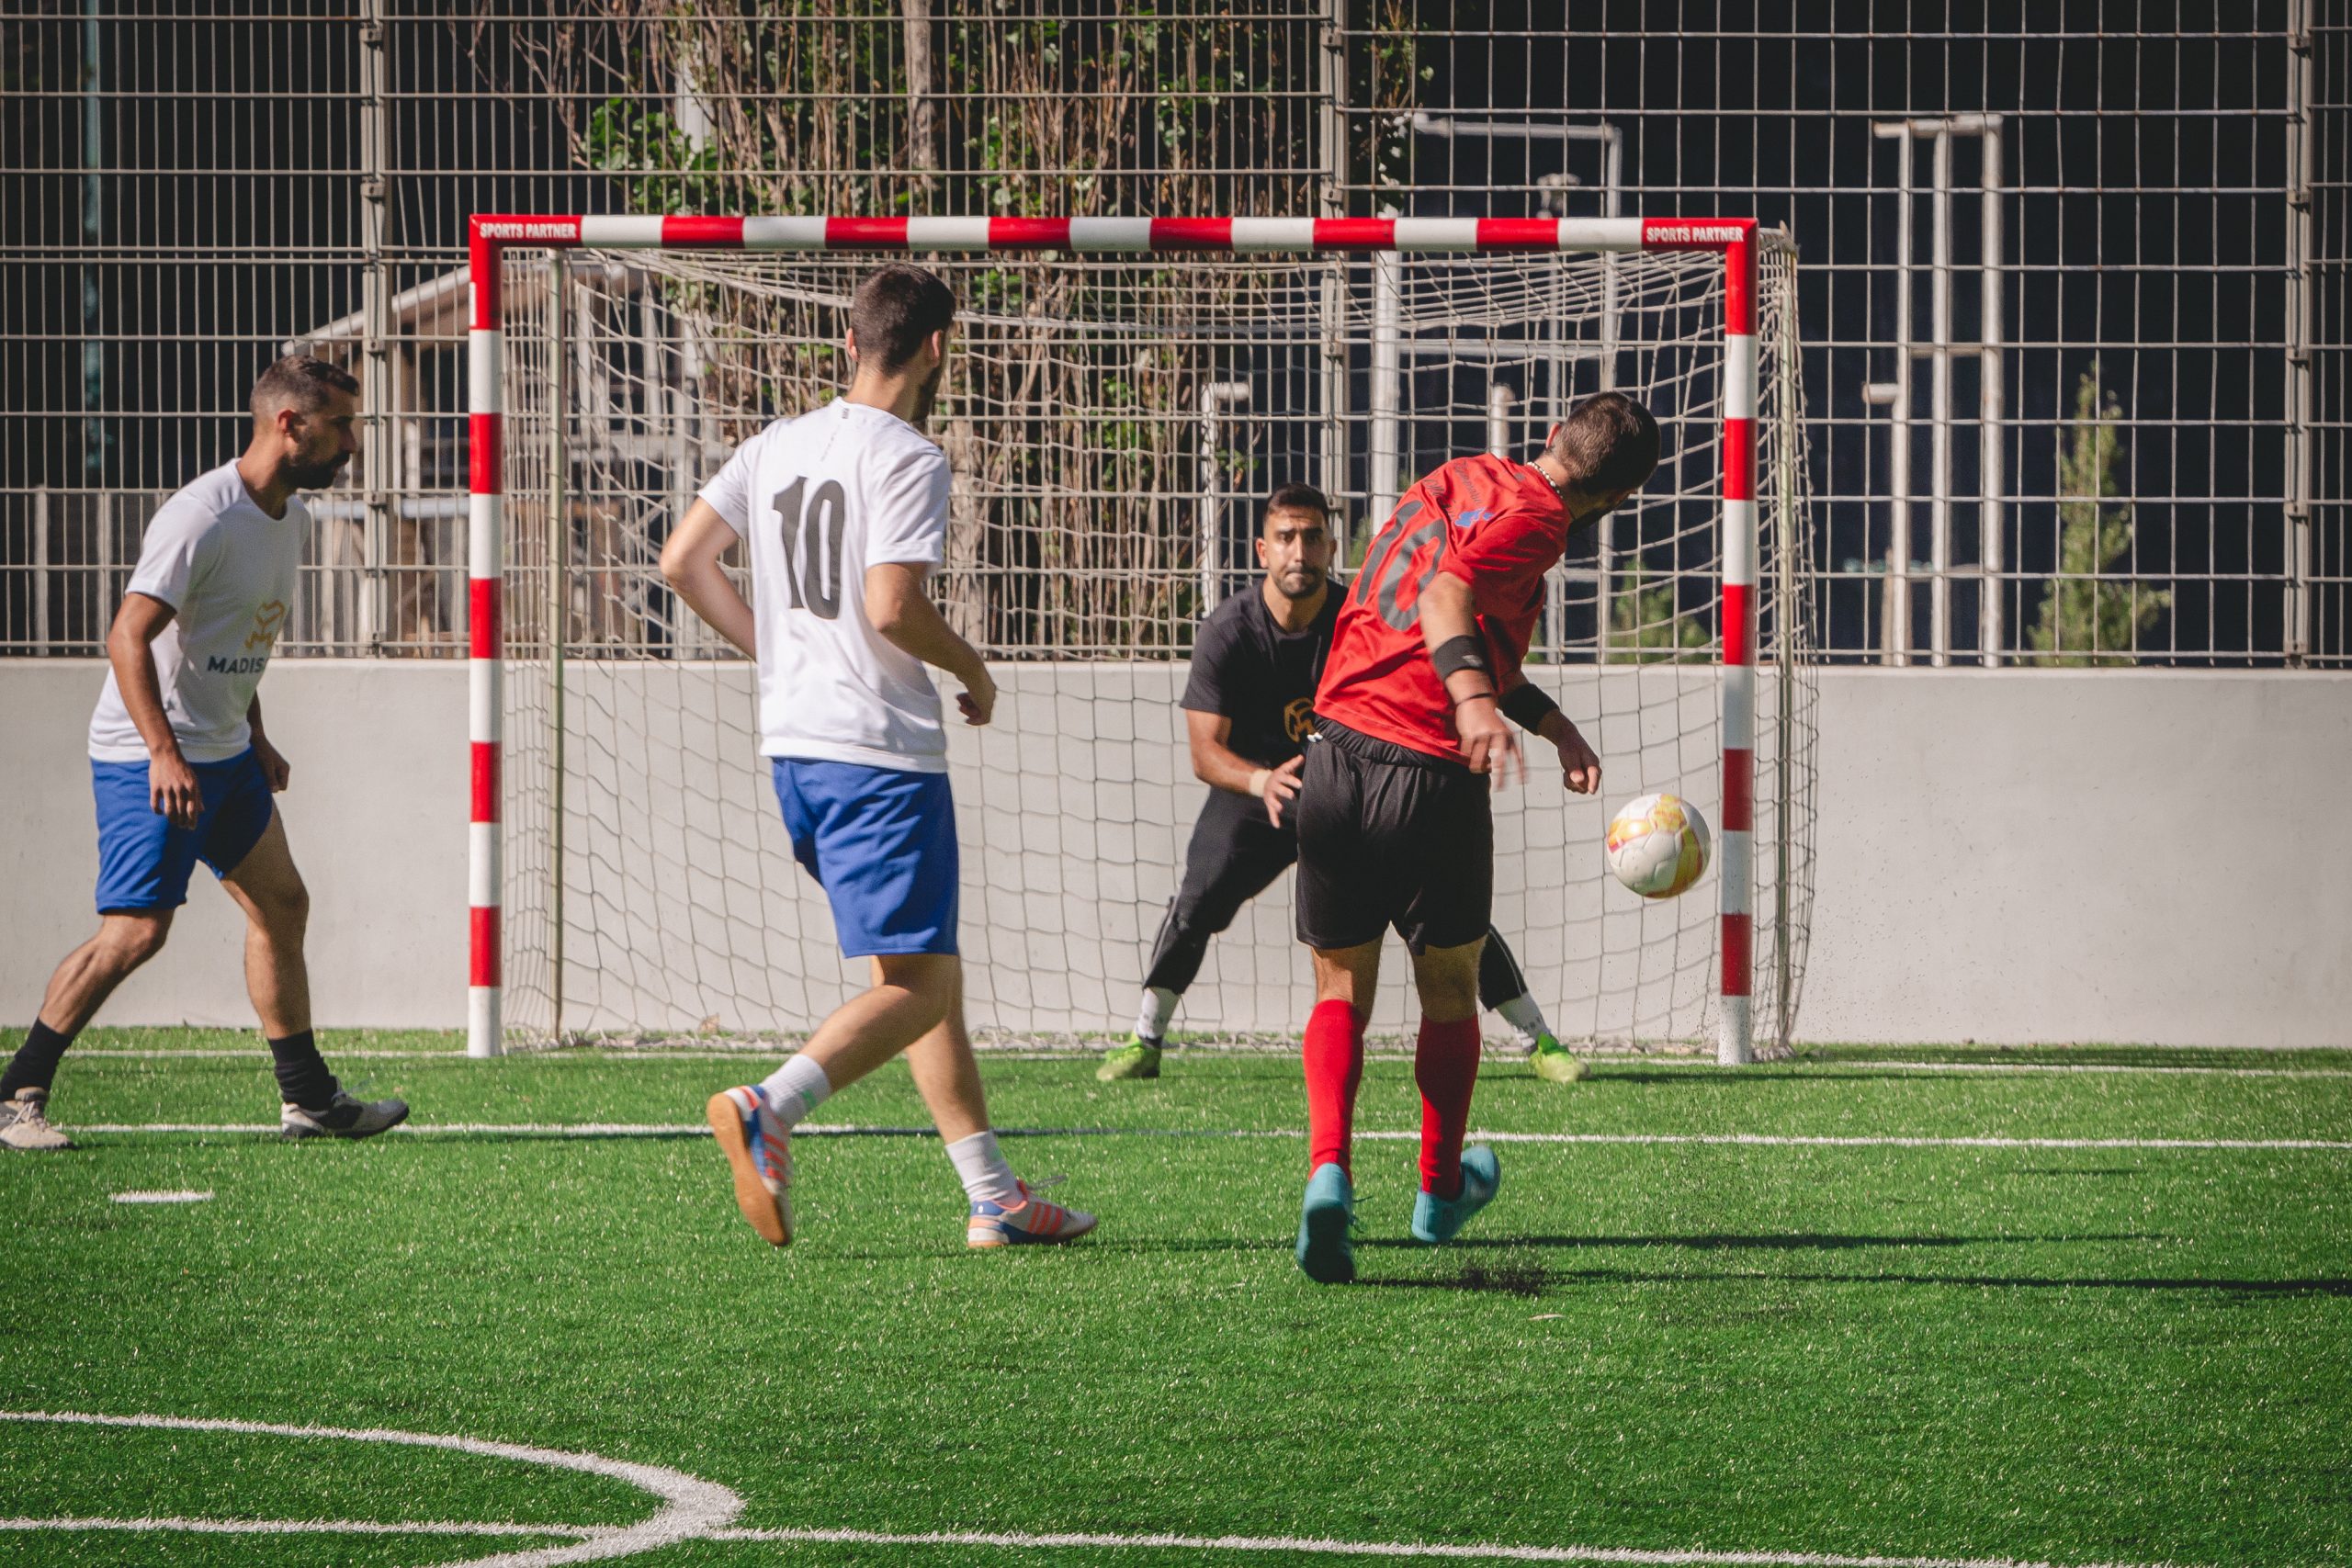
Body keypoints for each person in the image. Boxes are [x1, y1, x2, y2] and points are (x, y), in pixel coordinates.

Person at [660, 263, 1094, 1251]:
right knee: (915, 986)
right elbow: (891, 605)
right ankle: (769, 1105)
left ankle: (994, 1197)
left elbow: (682, 560)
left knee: (924, 972)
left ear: (851, 343)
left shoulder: (774, 444)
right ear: (939, 347)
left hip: (796, 753)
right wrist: (973, 670)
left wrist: (777, 646)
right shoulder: (908, 454)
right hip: (877, 755)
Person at [1286, 392, 1660, 1283]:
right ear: (1615, 501)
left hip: (1333, 754)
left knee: (1340, 986)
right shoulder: (1538, 522)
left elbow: (1434, 614)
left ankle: (1328, 1174)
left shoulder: (1457, 479)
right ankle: (1436, 1189)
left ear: (1548, 436)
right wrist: (1474, 702)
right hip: (1426, 770)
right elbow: (1447, 594)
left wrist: (1549, 720)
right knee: (1450, 985)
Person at [0, 356, 410, 1152]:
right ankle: (17, 1091)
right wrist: (162, 752)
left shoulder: (290, 516)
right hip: (146, 754)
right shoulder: (201, 516)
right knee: (135, 932)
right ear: (290, 424)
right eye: (342, 425)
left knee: (282, 905)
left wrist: (253, 735)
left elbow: (232, 638)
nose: (352, 443)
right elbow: (128, 634)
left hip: (223, 754)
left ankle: (308, 1099)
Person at [1095, 483, 1585, 1086]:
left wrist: (1552, 725)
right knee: (1201, 893)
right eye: (1284, 538)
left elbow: (1478, 669)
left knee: (1441, 915)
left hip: (1352, 781)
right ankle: (1146, 1036)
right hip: (1257, 791)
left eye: (1310, 538)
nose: (1298, 551)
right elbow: (1204, 754)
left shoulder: (1358, 613)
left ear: (1331, 546)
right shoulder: (1227, 629)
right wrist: (1259, 779)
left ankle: (1539, 1040)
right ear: (1261, 549)